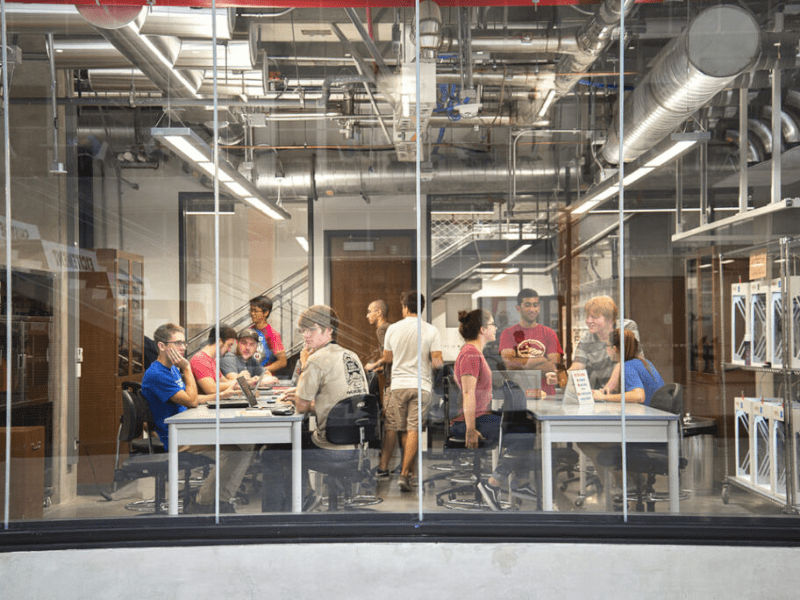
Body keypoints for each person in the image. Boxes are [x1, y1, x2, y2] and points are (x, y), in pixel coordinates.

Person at [140, 323, 253, 513]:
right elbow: (192, 401)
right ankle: (204, 503)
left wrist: (220, 396)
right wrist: (187, 369)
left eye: (184, 343)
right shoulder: (158, 373)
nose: (183, 348)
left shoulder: (171, 369)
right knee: (234, 451)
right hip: (176, 436)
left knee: (247, 446)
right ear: (161, 346)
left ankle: (221, 500)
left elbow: (188, 398)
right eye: (177, 343)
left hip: (186, 429)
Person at [281, 305, 369, 507]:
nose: (306, 335)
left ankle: (289, 508)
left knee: (276, 450)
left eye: (312, 329)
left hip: (332, 448)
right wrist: (303, 398)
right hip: (357, 448)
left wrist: (304, 367)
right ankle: (307, 496)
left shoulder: (316, 360)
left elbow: (302, 407)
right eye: (303, 330)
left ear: (329, 330)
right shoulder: (351, 356)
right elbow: (336, 402)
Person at [452, 309, 529, 511]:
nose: (496, 328)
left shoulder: (475, 352)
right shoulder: (470, 353)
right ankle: (494, 483)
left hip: (478, 416)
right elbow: (468, 393)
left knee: (524, 426)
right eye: (492, 324)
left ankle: (517, 482)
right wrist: (470, 429)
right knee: (525, 433)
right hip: (472, 421)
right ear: (483, 329)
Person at [379, 291, 443, 492]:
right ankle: (406, 473)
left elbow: (387, 358)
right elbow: (438, 363)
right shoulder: (431, 330)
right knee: (414, 428)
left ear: (405, 307)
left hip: (398, 385)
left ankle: (407, 472)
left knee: (403, 429)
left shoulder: (393, 329)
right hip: (421, 385)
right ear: (422, 308)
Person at [569, 295, 642, 392]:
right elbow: (577, 366)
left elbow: (624, 359)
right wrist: (561, 377)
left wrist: (606, 390)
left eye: (594, 317)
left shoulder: (627, 327)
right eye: (587, 316)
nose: (589, 321)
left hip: (633, 391)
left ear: (610, 318)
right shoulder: (586, 339)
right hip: (608, 396)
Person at [499, 288, 563, 396]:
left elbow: (552, 366)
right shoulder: (508, 333)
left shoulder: (549, 333)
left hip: (546, 395)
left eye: (535, 305)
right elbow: (510, 364)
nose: (532, 309)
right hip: (518, 395)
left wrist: (521, 366)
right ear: (518, 308)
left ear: (539, 307)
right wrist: (541, 359)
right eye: (527, 305)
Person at [592, 329, 664, 405]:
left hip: (650, 415)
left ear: (614, 349)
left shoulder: (627, 366)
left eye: (606, 345)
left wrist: (603, 397)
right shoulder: (644, 362)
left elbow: (639, 396)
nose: (606, 349)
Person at [189, 325, 242, 394]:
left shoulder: (212, 360)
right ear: (219, 341)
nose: (229, 350)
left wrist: (246, 382)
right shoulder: (199, 359)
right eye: (229, 345)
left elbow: (224, 382)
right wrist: (237, 382)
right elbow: (211, 389)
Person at [249, 295, 288, 376]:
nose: (252, 313)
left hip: (263, 379)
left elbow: (282, 361)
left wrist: (262, 370)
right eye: (251, 310)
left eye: (256, 311)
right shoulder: (249, 331)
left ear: (266, 313)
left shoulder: (273, 334)